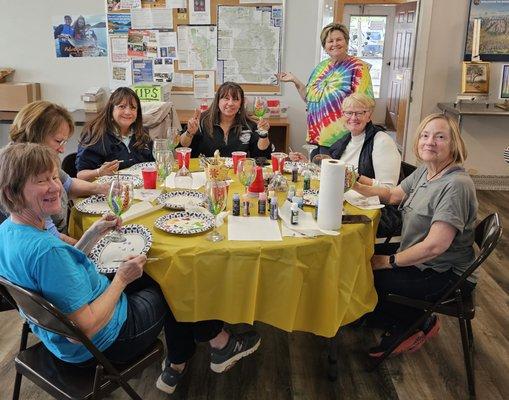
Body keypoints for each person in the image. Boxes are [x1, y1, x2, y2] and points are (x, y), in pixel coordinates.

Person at [0, 143, 261, 395]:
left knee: (159, 273)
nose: (56, 187)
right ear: (12, 193)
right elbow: (84, 331)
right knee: (177, 280)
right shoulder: (48, 252)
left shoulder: (8, 232)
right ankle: (214, 343)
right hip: (108, 342)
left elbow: (62, 271)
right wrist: (121, 281)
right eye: (41, 181)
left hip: (57, 338)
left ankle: (185, 357)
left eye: (54, 177)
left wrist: (92, 233)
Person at [352, 113, 478, 357]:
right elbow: (392, 195)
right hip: (420, 261)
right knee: (356, 261)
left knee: (365, 275)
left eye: (440, 137)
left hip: (444, 275)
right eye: (425, 135)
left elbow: (434, 247)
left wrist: (386, 262)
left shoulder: (456, 185)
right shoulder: (426, 171)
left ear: (454, 144)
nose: (430, 142)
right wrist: (353, 185)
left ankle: (413, 324)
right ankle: (397, 315)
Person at [9, 100, 109, 245]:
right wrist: (90, 248)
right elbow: (51, 236)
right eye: (58, 141)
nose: (62, 150)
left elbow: (68, 183)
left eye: (64, 143)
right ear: (34, 135)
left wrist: (102, 188)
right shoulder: (18, 172)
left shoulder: (41, 161)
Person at [278, 23, 373, 156]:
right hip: (315, 137)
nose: (335, 44)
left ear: (346, 41)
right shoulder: (321, 67)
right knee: (315, 175)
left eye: (339, 39)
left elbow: (364, 105)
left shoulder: (358, 67)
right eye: (330, 41)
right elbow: (309, 98)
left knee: (336, 176)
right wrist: (295, 81)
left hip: (342, 139)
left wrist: (356, 136)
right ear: (325, 46)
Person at [289, 93, 401, 188]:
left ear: (369, 116)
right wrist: (306, 163)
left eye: (359, 113)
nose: (353, 118)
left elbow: (388, 189)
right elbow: (331, 171)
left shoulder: (382, 141)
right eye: (349, 113)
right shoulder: (345, 140)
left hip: (369, 207)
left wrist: (355, 177)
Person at [76, 87, 154, 181]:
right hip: (106, 191)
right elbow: (81, 175)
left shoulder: (142, 134)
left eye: (133, 108)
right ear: (111, 109)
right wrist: (99, 172)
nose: (128, 112)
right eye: (122, 106)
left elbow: (153, 163)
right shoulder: (95, 135)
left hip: (139, 189)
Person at [180, 82, 272, 158]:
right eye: (226, 98)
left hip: (236, 173)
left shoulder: (249, 124)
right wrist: (189, 133)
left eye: (235, 99)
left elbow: (261, 154)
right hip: (205, 172)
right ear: (218, 101)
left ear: (241, 103)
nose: (230, 103)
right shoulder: (202, 120)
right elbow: (183, 146)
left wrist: (263, 134)